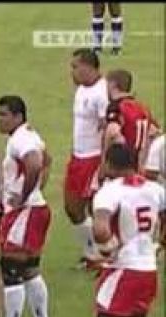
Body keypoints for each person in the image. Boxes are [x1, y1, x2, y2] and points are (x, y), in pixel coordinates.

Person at [83, 143, 163, 317]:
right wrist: (158, 244)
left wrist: (109, 249)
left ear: (109, 163)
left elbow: (100, 227)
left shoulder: (110, 192)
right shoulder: (154, 190)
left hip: (123, 269)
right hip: (147, 268)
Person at [0, 96, 53, 317]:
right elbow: (47, 161)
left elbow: (36, 164)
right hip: (35, 208)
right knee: (30, 269)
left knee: (11, 266)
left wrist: (23, 195)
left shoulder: (21, 139)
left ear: (17, 116)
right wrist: (38, 189)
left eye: (3, 115)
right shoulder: (29, 135)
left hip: (25, 211)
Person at [66, 48, 108, 272]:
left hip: (92, 159)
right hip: (78, 156)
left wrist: (103, 163)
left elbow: (107, 130)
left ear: (89, 67)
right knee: (72, 208)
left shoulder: (101, 94)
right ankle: (94, 253)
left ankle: (102, 256)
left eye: (75, 67)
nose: (72, 72)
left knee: (95, 208)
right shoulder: (82, 89)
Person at [103, 69, 159, 172]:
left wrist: (103, 164)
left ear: (113, 85)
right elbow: (154, 132)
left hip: (120, 168)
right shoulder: (142, 107)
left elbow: (113, 132)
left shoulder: (116, 107)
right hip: (139, 167)